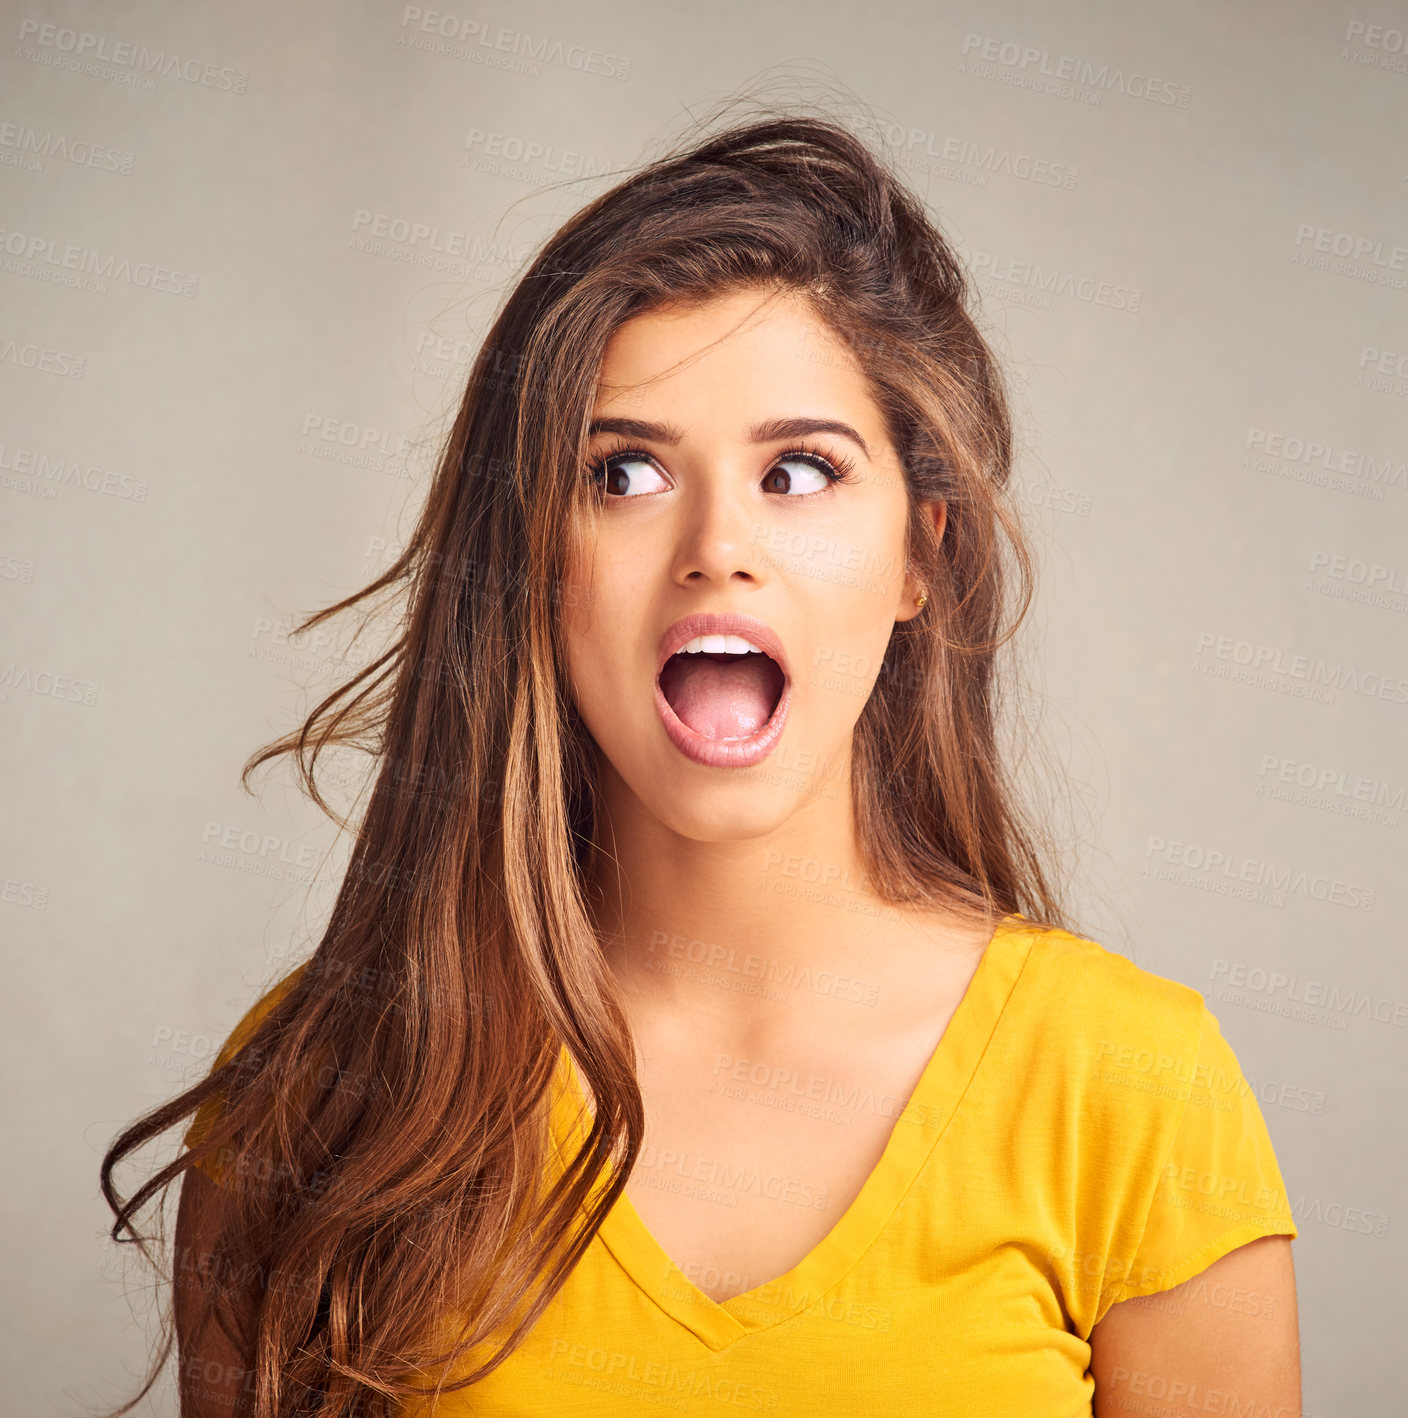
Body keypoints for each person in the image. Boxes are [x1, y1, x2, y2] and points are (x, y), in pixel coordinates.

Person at [101, 111, 1300, 1417]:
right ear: (531, 565)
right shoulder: (322, 1091)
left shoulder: (1133, 1084)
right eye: (622, 472)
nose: (717, 544)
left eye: (799, 470)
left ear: (919, 552)